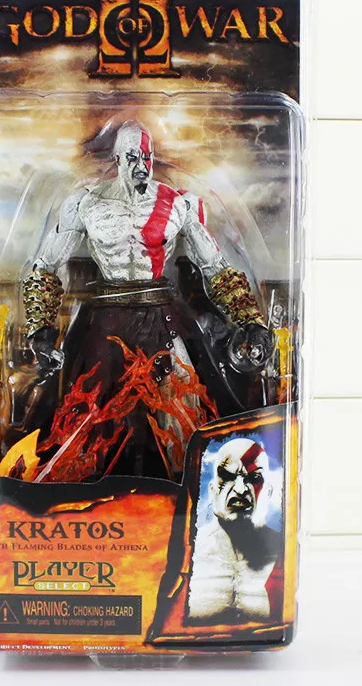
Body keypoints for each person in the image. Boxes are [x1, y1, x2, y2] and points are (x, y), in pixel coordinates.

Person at [22, 120, 272, 481]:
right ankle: (92, 487)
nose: (141, 165)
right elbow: (46, 265)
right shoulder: (87, 203)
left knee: (181, 404)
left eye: (146, 157)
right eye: (132, 157)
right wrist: (41, 330)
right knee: (95, 410)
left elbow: (214, 266)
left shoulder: (178, 204)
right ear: (117, 159)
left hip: (162, 315)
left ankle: (186, 482)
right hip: (106, 317)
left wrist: (250, 320)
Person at [187, 437, 283, 624]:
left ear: (269, 491)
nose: (240, 490)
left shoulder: (287, 551)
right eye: (228, 478)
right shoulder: (185, 550)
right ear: (212, 489)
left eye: (254, 479)